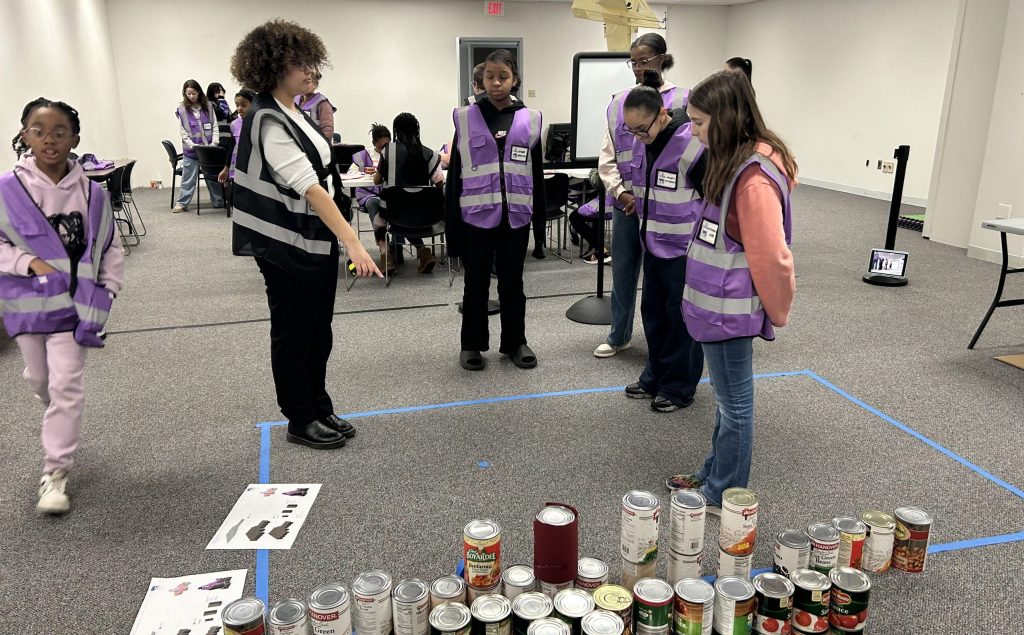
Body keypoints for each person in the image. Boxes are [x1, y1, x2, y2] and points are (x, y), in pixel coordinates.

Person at [229, 19, 381, 450]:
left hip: (311, 238)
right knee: (294, 331)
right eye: (300, 64)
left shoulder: (295, 110)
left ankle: (318, 403)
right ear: (274, 66)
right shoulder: (265, 117)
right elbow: (308, 185)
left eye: (312, 63)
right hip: (283, 243)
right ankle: (299, 416)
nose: (310, 71)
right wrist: (353, 239)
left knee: (319, 329)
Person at [665, 71, 796, 513]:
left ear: (725, 118)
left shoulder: (753, 179)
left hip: (730, 312)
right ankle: (715, 471)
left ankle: (725, 493)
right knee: (725, 402)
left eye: (700, 123)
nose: (694, 131)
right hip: (713, 308)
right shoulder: (729, 160)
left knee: (736, 405)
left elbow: (772, 257)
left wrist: (777, 312)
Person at [0, 98, 124, 514]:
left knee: (66, 386)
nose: (49, 140)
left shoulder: (93, 192)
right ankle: (47, 393)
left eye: (59, 132)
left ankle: (55, 473)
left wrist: (108, 288)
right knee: (42, 382)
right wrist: (27, 262)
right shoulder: (7, 189)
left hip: (76, 307)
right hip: (27, 305)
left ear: (74, 138)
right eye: (38, 131)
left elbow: (108, 243)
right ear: (23, 134)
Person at [446, 49, 545, 371]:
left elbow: (537, 174)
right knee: (475, 283)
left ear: (514, 79)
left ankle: (515, 342)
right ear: (481, 79)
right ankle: (471, 344)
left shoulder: (530, 119)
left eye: (502, 76)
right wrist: (453, 233)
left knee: (513, 283)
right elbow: (456, 177)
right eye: (490, 77)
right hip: (475, 218)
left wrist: (540, 231)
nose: (496, 83)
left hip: (515, 217)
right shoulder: (465, 117)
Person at [593, 33, 689, 358]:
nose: (637, 67)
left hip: (666, 209)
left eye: (644, 60)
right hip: (627, 205)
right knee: (622, 269)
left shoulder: (682, 102)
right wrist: (621, 195)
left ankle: (661, 344)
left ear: (662, 58)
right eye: (633, 61)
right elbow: (608, 158)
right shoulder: (619, 102)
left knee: (660, 278)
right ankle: (618, 335)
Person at [620, 73, 706, 413]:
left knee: (681, 319)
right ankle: (655, 375)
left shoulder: (692, 143)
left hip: (685, 249)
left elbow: (711, 199)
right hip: (653, 244)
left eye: (644, 129)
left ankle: (679, 386)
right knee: (653, 314)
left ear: (663, 115)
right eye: (632, 130)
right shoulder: (641, 143)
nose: (638, 137)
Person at [374, 112, 444, 274]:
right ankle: (424, 252)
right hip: (424, 214)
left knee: (380, 220)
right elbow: (440, 183)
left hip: (394, 212)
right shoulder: (432, 155)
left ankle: (386, 257)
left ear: (396, 131)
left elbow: (377, 180)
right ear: (417, 130)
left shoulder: (388, 151)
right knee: (408, 215)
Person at [174, 79, 224, 212]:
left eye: (194, 93)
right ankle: (182, 203)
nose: (191, 96)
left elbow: (214, 126)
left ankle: (218, 201)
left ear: (199, 92)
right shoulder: (181, 109)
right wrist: (192, 145)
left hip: (209, 149)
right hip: (191, 151)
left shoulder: (208, 106)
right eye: (188, 94)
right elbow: (182, 132)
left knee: (212, 177)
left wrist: (214, 143)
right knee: (188, 178)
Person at [218, 88, 256, 186]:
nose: (239, 108)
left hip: (254, 173)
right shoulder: (234, 124)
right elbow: (231, 148)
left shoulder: (258, 124)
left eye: (243, 105)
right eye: (237, 105)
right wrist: (226, 169)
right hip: (237, 171)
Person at [295, 71, 336, 139]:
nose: (304, 85)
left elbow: (328, 130)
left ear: (315, 85)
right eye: (303, 82)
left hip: (315, 143)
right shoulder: (295, 100)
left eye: (308, 82)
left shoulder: (322, 102)